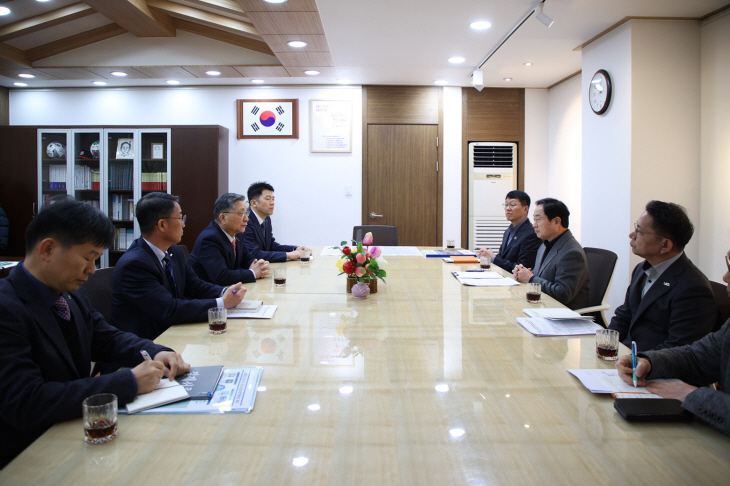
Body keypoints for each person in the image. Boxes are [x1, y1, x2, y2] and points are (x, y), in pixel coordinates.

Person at [0, 197, 190, 468]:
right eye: (88, 258)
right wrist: (128, 382)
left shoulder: (70, 295)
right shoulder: (7, 309)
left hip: (76, 432)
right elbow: (28, 402)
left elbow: (106, 337)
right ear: (48, 249)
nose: (91, 270)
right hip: (29, 455)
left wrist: (158, 351)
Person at [616, 248, 730, 437]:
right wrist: (649, 362)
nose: (725, 277)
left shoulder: (691, 285)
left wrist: (691, 395)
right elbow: (696, 357)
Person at [111, 192, 245, 340]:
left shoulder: (173, 251)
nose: (183, 224)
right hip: (148, 344)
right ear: (162, 224)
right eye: (180, 218)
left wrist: (226, 292)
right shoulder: (135, 265)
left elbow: (195, 286)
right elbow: (169, 310)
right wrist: (221, 303)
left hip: (176, 331)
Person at [608, 201, 715, 351]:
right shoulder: (642, 268)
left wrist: (639, 364)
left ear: (665, 245)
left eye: (639, 230)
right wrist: (604, 342)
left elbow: (679, 349)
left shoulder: (693, 288)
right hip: (623, 358)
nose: (632, 235)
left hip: (650, 368)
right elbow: (624, 315)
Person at [513, 198, 589, 310]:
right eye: (534, 220)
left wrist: (531, 278)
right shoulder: (545, 244)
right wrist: (524, 273)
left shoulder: (572, 253)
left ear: (556, 221)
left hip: (561, 315)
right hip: (541, 307)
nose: (534, 225)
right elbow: (541, 275)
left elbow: (563, 294)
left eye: (538, 220)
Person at [189, 193, 270, 285]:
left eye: (246, 213)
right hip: (207, 295)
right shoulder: (209, 239)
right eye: (241, 214)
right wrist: (253, 273)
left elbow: (246, 258)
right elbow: (221, 276)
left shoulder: (237, 234)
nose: (246, 219)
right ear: (223, 218)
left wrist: (258, 265)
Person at [242, 181, 309, 262]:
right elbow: (254, 253)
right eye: (268, 199)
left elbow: (270, 245)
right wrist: (288, 255)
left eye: (273, 199)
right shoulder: (245, 221)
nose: (272, 203)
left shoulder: (266, 219)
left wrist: (295, 249)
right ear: (253, 203)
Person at [476, 190, 540, 271]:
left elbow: (522, 268)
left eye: (512, 205)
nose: (508, 208)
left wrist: (493, 258)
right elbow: (502, 258)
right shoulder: (508, 231)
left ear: (525, 209)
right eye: (506, 205)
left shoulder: (531, 234)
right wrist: (487, 255)